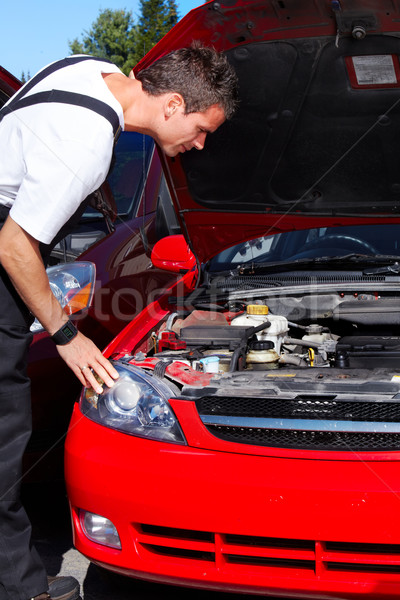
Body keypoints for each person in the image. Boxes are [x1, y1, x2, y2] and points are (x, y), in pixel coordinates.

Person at [0, 44, 238, 600]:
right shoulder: (85, 144)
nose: (199, 144)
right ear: (174, 104)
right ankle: (16, 589)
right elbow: (13, 246)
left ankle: (16, 578)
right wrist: (66, 336)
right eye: (202, 128)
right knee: (6, 429)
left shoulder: (87, 68)